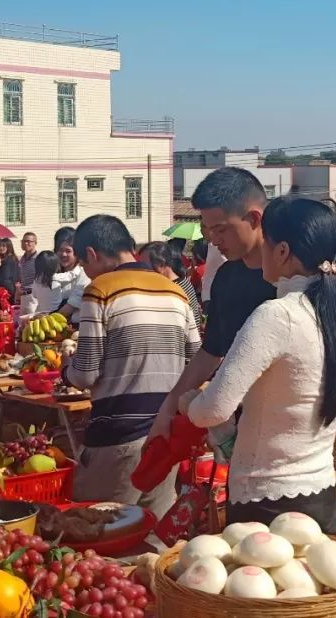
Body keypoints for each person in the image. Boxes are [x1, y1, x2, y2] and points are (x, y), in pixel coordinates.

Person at [186, 197, 336, 533]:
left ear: (281, 252)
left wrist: (188, 402)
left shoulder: (276, 315)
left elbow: (213, 410)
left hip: (266, 501)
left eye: (265, 242)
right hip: (321, 494)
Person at [63, 215, 200, 517]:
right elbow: (197, 360)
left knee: (102, 532)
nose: (85, 272)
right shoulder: (175, 292)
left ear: (92, 255)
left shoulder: (100, 290)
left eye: (84, 265)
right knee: (151, 537)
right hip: (165, 435)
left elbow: (86, 373)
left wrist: (66, 369)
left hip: (118, 438)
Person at [149, 168, 275, 443]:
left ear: (254, 218)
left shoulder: (290, 280)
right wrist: (168, 409)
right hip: (241, 426)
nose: (213, 241)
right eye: (207, 230)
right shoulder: (227, 277)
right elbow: (212, 351)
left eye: (220, 229)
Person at [140, 241, 203, 325]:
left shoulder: (174, 290)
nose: (141, 270)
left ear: (161, 264)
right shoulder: (180, 283)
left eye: (144, 265)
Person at [53, 227, 91, 323]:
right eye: (60, 250)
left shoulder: (84, 273)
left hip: (76, 328)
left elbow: (72, 305)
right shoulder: (54, 273)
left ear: (76, 253)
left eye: (68, 251)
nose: (63, 254)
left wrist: (48, 320)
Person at [0, 238, 20, 302]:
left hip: (7, 290)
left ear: (9, 247)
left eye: (4, 246)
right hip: (11, 288)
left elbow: (5, 277)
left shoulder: (8, 260)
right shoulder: (12, 258)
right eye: (0, 246)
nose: (1, 248)